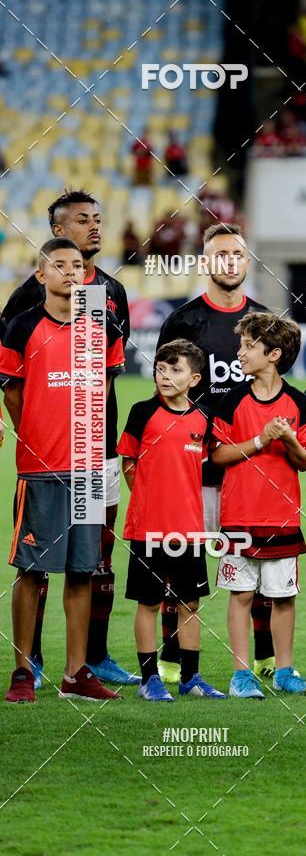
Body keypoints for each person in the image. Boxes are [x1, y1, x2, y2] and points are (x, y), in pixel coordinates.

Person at [0, 189, 138, 688]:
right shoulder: (24, 310)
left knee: (92, 558)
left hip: (95, 456)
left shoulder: (109, 304)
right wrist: (32, 431)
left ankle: (86, 663)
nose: (94, 227)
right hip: (44, 462)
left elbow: (105, 381)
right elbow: (12, 383)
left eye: (98, 219)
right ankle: (27, 662)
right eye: (83, 220)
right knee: (35, 564)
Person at [156, 223, 276, 683]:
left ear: (247, 262)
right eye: (219, 253)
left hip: (250, 468)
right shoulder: (183, 321)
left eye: (237, 253)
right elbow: (165, 393)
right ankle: (173, 661)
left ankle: (264, 658)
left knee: (257, 566)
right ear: (206, 262)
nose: (229, 261)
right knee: (182, 566)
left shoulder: (267, 322)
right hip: (192, 470)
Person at [212, 312, 306, 699]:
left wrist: (289, 438)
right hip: (238, 517)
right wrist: (260, 439)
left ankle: (284, 671)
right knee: (240, 595)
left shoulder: (299, 402)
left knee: (283, 597)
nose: (240, 352)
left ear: (273, 354)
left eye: (248, 345)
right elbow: (218, 455)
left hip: (282, 517)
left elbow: (305, 461)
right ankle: (240, 675)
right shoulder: (232, 400)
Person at [118, 339, 225, 701]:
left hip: (190, 529)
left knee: (190, 603)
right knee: (148, 603)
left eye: (174, 369)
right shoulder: (141, 412)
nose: (164, 375)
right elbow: (128, 464)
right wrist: (149, 500)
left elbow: (216, 457)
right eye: (160, 368)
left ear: (194, 378)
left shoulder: (204, 418)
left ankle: (191, 677)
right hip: (148, 528)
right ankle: (150, 679)